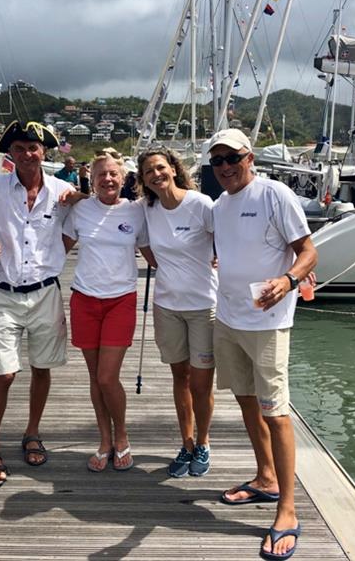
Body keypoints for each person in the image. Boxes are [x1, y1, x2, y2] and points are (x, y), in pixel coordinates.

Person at [209, 128, 317, 561]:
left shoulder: (275, 194)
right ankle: (266, 478)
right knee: (246, 402)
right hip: (229, 317)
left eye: (232, 158)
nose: (225, 167)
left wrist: (289, 279)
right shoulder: (218, 205)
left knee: (277, 413)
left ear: (249, 157)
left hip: (268, 321)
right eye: (217, 161)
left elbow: (308, 251)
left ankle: (287, 510)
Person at [0, 120, 82, 488]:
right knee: (3, 373)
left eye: (33, 147)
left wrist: (55, 256)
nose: (27, 154)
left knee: (42, 367)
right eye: (19, 148)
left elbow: (82, 224)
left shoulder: (63, 190)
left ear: (44, 151)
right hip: (4, 291)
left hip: (46, 291)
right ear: (10, 154)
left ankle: (32, 431)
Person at [62, 149, 153, 472]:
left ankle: (122, 435)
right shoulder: (80, 210)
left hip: (120, 300)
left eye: (114, 174)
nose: (108, 179)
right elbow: (56, 248)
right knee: (94, 377)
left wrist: (205, 265)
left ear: (124, 178)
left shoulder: (136, 211)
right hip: (84, 300)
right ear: (92, 179)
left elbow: (152, 254)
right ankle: (104, 439)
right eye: (101, 175)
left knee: (107, 376)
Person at [137, 146, 217, 479]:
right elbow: (145, 247)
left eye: (160, 168)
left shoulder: (201, 205)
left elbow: (225, 240)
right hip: (167, 305)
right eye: (148, 172)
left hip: (203, 306)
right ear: (143, 180)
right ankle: (186, 443)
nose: (156, 175)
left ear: (173, 168)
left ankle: (203, 441)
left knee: (201, 383)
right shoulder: (147, 208)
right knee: (179, 378)